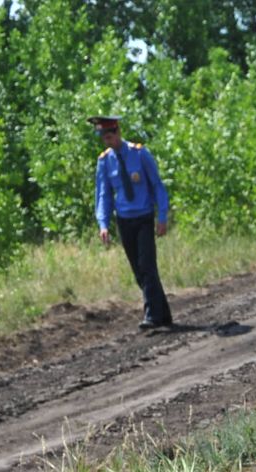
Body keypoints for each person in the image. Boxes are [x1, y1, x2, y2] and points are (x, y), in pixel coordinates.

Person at [90, 114, 174, 332]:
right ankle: (163, 313)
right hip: (124, 221)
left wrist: (162, 216)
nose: (107, 141)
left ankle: (152, 315)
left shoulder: (140, 153)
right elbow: (103, 195)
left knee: (147, 265)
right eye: (104, 138)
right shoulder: (104, 161)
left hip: (144, 218)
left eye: (109, 136)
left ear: (117, 132)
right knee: (139, 271)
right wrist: (103, 224)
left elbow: (157, 185)